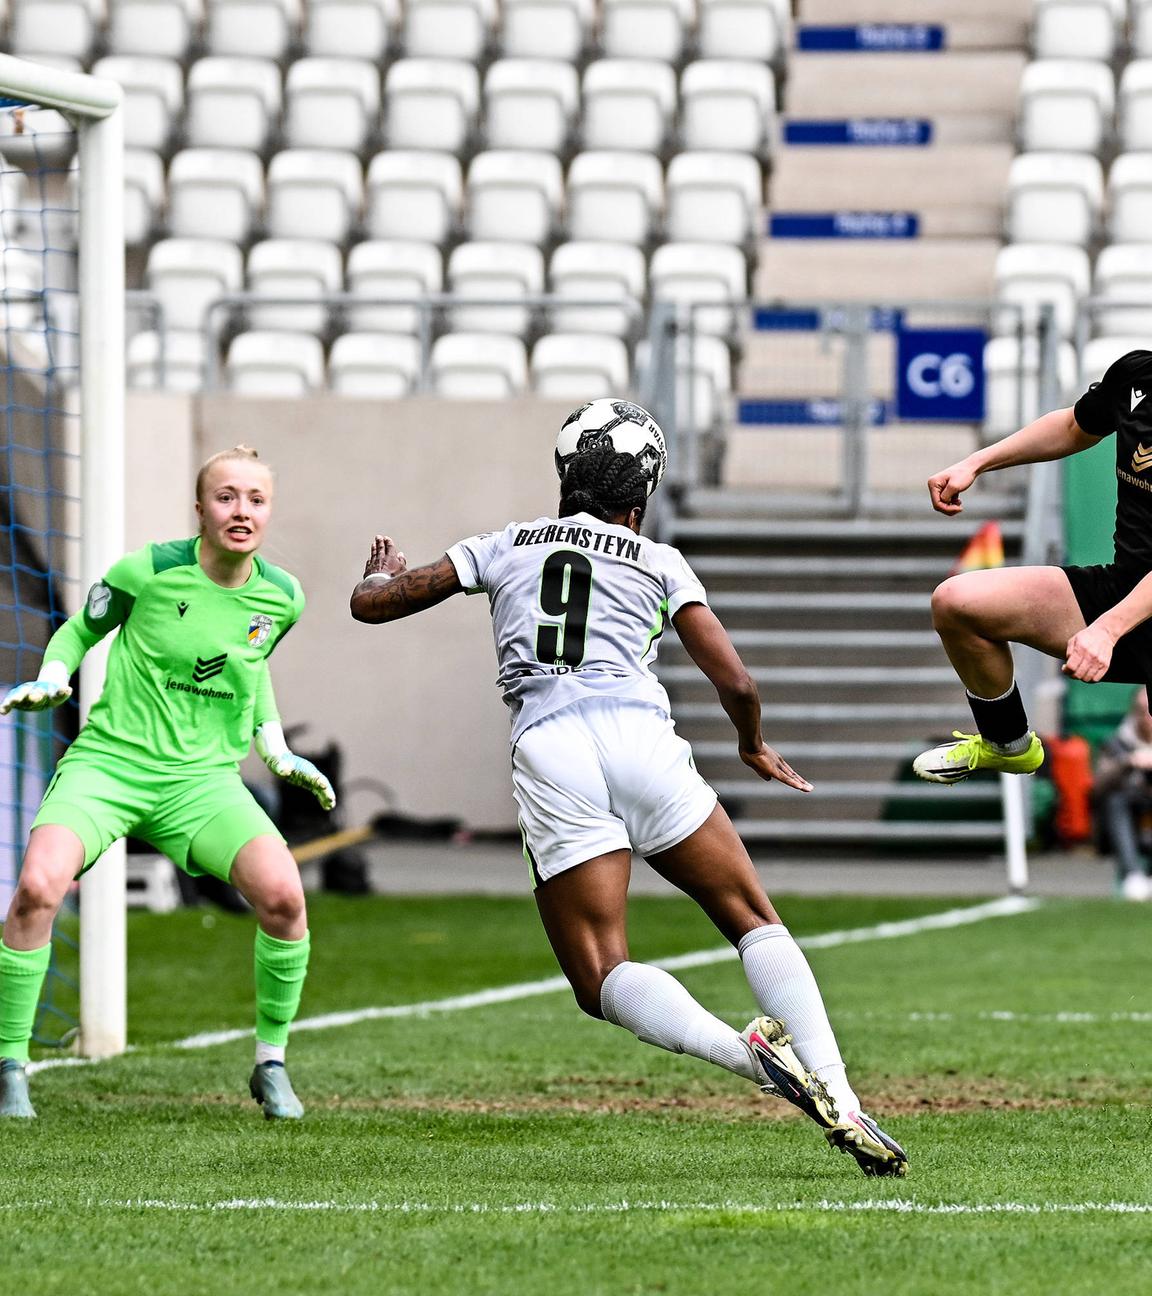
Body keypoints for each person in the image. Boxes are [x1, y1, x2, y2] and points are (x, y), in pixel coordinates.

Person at [349, 401, 908, 1178]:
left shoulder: (501, 543)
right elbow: (736, 680)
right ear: (637, 502)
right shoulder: (660, 560)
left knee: (600, 972)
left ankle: (749, 1058)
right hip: (641, 740)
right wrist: (749, 744)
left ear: (563, 477)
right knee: (750, 918)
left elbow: (380, 603)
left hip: (553, 750)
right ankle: (842, 1099)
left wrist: (378, 574)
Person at [0, 445, 335, 1120]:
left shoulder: (284, 595)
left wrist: (273, 746)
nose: (241, 511)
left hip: (201, 784)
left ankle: (270, 1064)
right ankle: (10, 1065)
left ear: (269, 510)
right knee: (37, 888)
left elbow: (250, 663)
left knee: (284, 899)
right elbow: (77, 629)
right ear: (201, 508)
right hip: (110, 766)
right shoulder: (147, 571)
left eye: (255, 499)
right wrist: (52, 676)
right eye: (226, 497)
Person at [914, 348, 1152, 785]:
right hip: (1125, 588)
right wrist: (975, 463)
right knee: (958, 602)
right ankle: (1008, 744)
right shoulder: (1138, 373)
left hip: (1129, 612)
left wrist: (1108, 629)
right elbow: (1071, 426)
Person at [1095, 687, 1152, 901]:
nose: (1148, 717)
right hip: (1131, 815)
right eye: (1142, 710)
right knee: (1115, 801)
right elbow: (1098, 786)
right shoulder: (1117, 743)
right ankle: (1132, 875)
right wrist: (1127, 762)